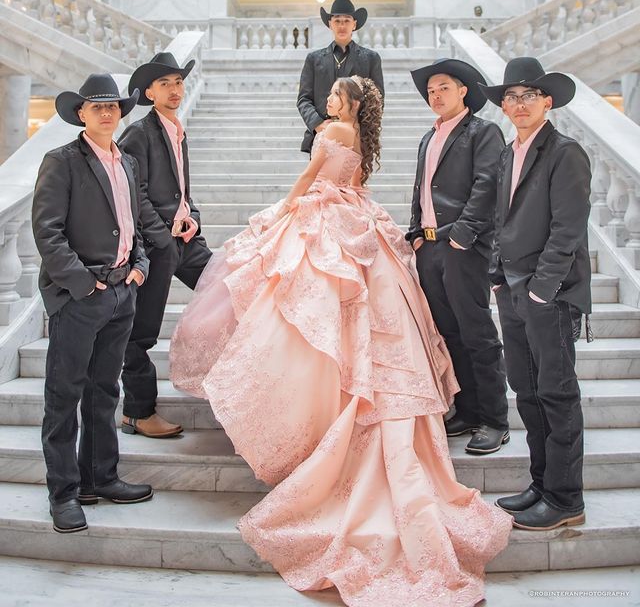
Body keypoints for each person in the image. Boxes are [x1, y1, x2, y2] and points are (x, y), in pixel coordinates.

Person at [170, 75, 512, 607]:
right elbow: (350, 181)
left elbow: (309, 174)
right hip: (354, 214)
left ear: (350, 104)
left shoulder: (332, 129)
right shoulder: (360, 136)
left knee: (296, 303)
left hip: (334, 215)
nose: (328, 103)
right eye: (329, 96)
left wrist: (284, 209)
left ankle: (327, 412)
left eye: (335, 96)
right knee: (350, 313)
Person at [32, 73, 152, 534]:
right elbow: (48, 232)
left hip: (123, 292)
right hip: (80, 298)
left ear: (122, 113)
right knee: (64, 398)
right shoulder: (61, 161)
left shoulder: (128, 163)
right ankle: (62, 493)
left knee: (105, 392)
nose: (107, 112)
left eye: (113, 106)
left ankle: (99, 478)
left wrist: (138, 266)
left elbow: (134, 221)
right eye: (97, 106)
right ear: (81, 114)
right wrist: (82, 285)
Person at [480, 57, 591, 530]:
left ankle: (566, 500)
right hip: (512, 288)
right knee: (526, 392)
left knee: (556, 393)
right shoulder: (508, 152)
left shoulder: (566, 152)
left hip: (550, 294)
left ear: (547, 102)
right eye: (511, 96)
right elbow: (501, 220)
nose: (518, 104)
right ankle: (542, 484)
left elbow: (568, 230)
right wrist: (497, 273)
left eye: (528, 96)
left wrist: (542, 290)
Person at [406, 59, 509, 454]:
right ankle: (467, 410)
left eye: (443, 87)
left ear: (463, 90)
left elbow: (487, 186)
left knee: (477, 331)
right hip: (429, 248)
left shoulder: (483, 132)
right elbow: (421, 189)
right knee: (449, 333)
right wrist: (416, 233)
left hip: (462, 248)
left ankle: (495, 420)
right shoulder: (427, 137)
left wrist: (462, 237)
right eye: (431, 90)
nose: (435, 95)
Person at [118, 52, 212, 439]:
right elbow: (132, 190)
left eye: (178, 82)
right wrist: (160, 236)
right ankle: (137, 413)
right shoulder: (138, 134)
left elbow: (179, 190)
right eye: (165, 84)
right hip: (157, 244)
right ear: (149, 92)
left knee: (228, 285)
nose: (175, 90)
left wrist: (193, 218)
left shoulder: (176, 128)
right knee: (141, 331)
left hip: (185, 239)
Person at [297, 0, 384, 154]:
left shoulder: (371, 58)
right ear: (330, 24)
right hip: (322, 134)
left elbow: (377, 100)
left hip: (356, 137)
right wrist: (319, 124)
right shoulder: (313, 59)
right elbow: (303, 99)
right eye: (337, 21)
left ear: (354, 24)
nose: (342, 25)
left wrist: (356, 128)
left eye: (346, 20)